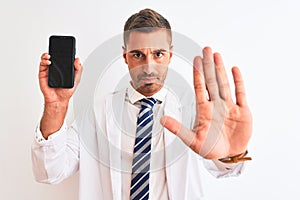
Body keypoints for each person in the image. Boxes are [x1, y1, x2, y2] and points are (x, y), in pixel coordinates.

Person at [32, 8, 252, 200]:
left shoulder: (196, 113)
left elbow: (228, 169)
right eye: (138, 55)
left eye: (158, 54)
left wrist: (231, 153)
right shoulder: (96, 113)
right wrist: (56, 105)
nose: (148, 67)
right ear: (125, 56)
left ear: (170, 55)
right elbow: (49, 171)